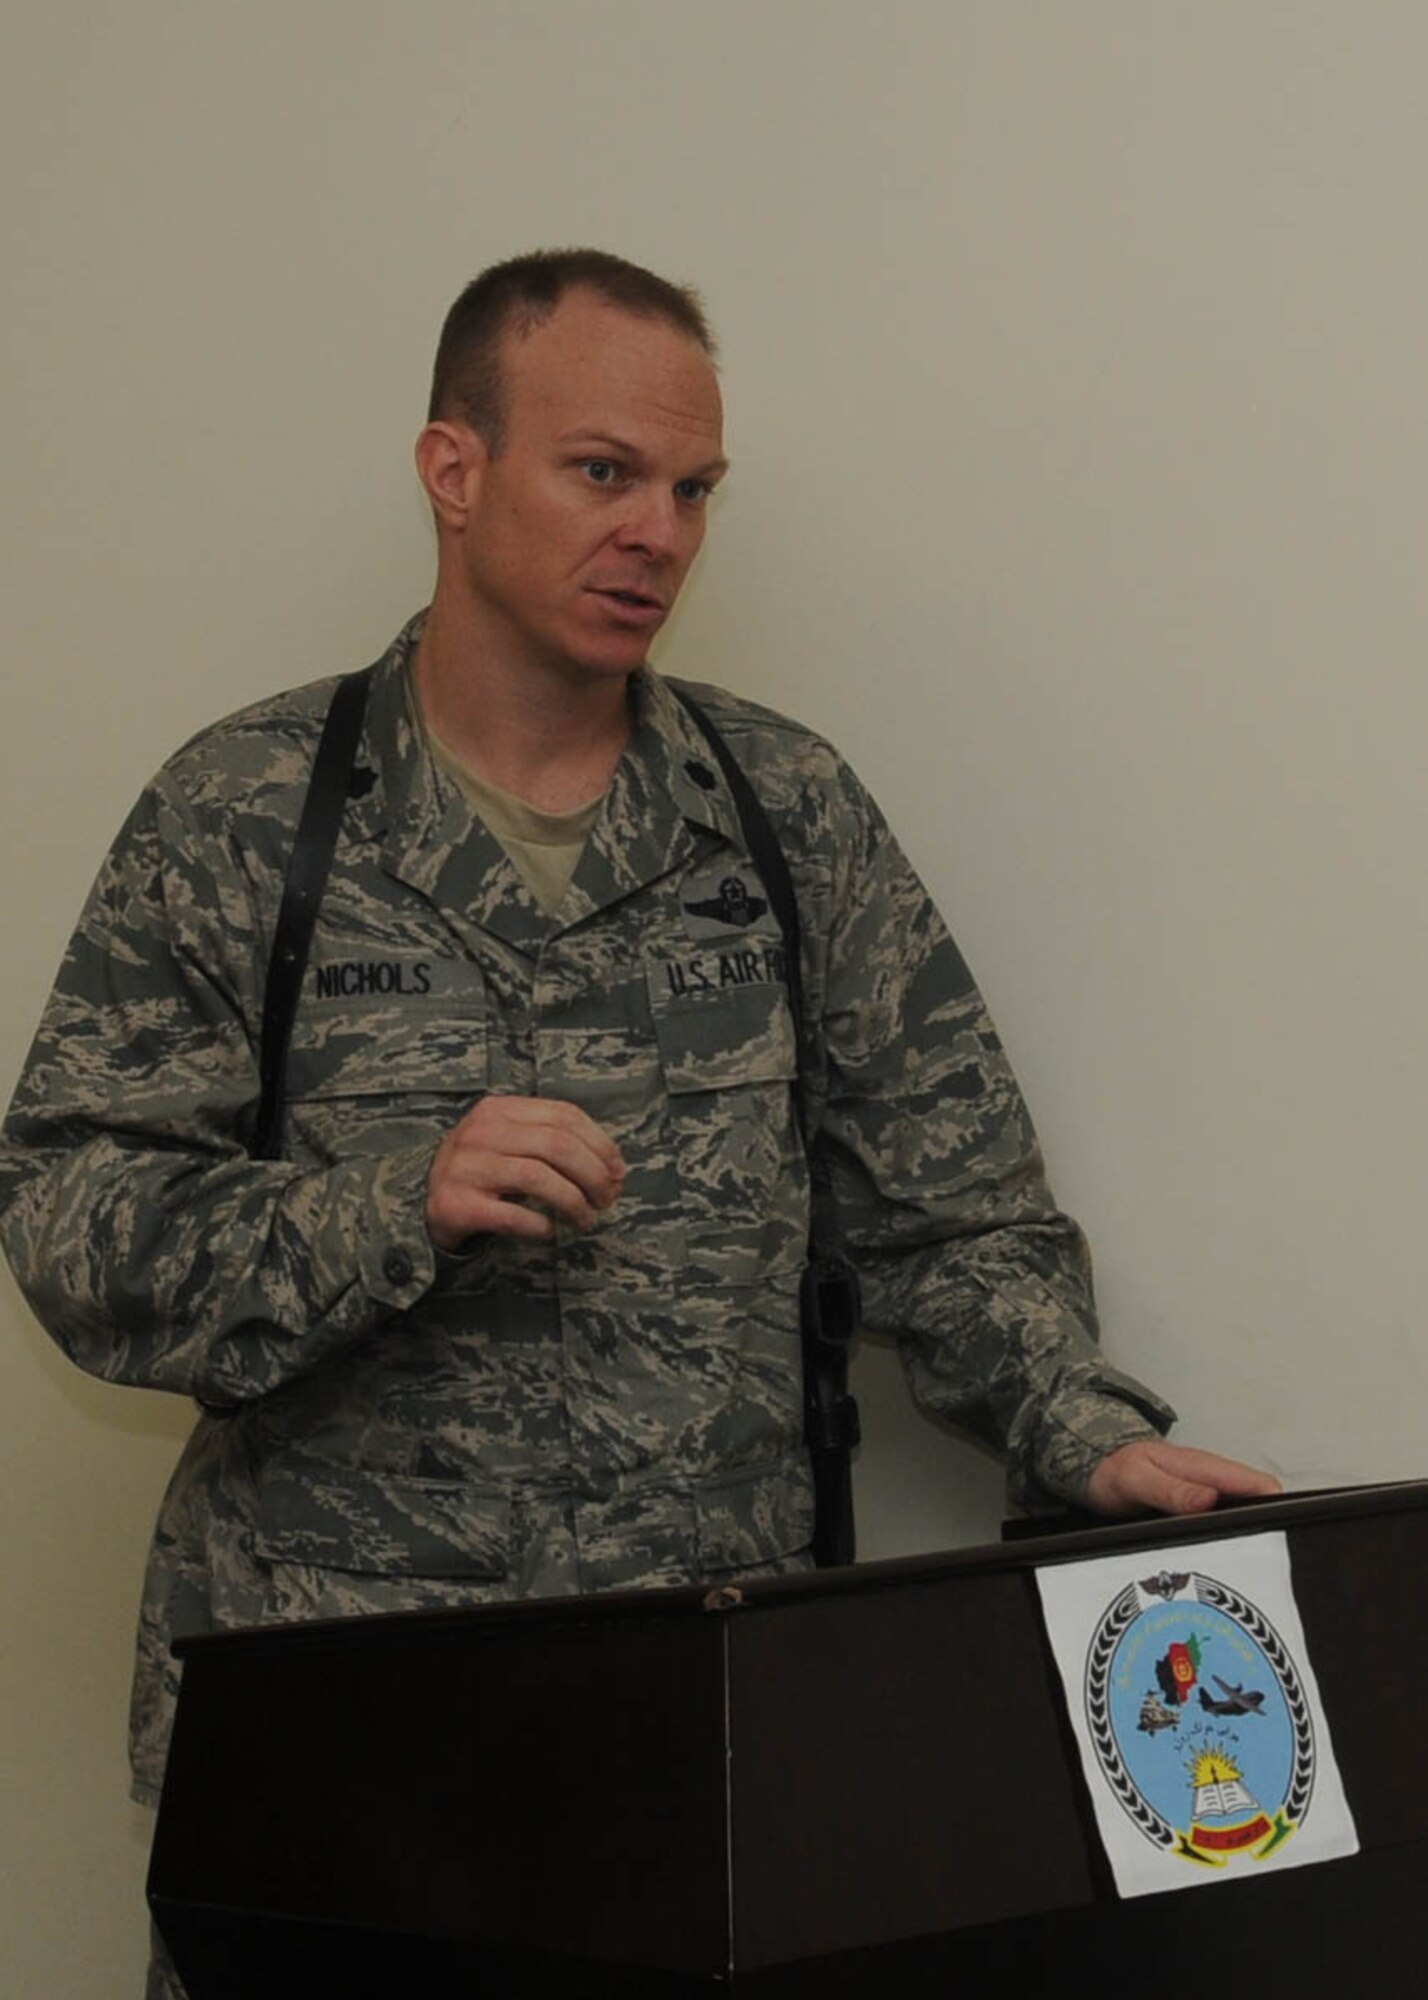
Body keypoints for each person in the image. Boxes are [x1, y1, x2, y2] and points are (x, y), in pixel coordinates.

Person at [0, 250, 1275, 1996]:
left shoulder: (785, 816)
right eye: (603, 472)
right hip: (332, 1745)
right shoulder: (246, 816)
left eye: (692, 490)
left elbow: (952, 1209)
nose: (658, 533)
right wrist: (386, 1206)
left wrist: (1077, 1423)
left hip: (705, 1746)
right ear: (455, 471)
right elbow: (71, 1218)